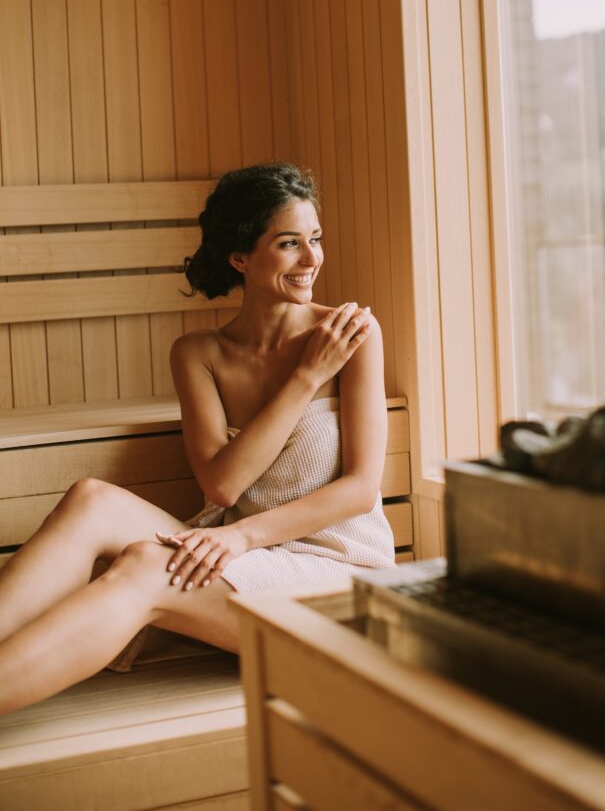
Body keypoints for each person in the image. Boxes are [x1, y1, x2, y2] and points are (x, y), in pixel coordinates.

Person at [0, 162, 395, 714]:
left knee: (144, 563)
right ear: (240, 257)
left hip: (335, 571)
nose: (312, 260)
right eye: (289, 244)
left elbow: (359, 489)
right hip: (236, 549)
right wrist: (307, 377)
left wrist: (242, 539)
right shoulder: (199, 353)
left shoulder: (351, 334)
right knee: (92, 499)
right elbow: (224, 484)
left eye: (315, 239)